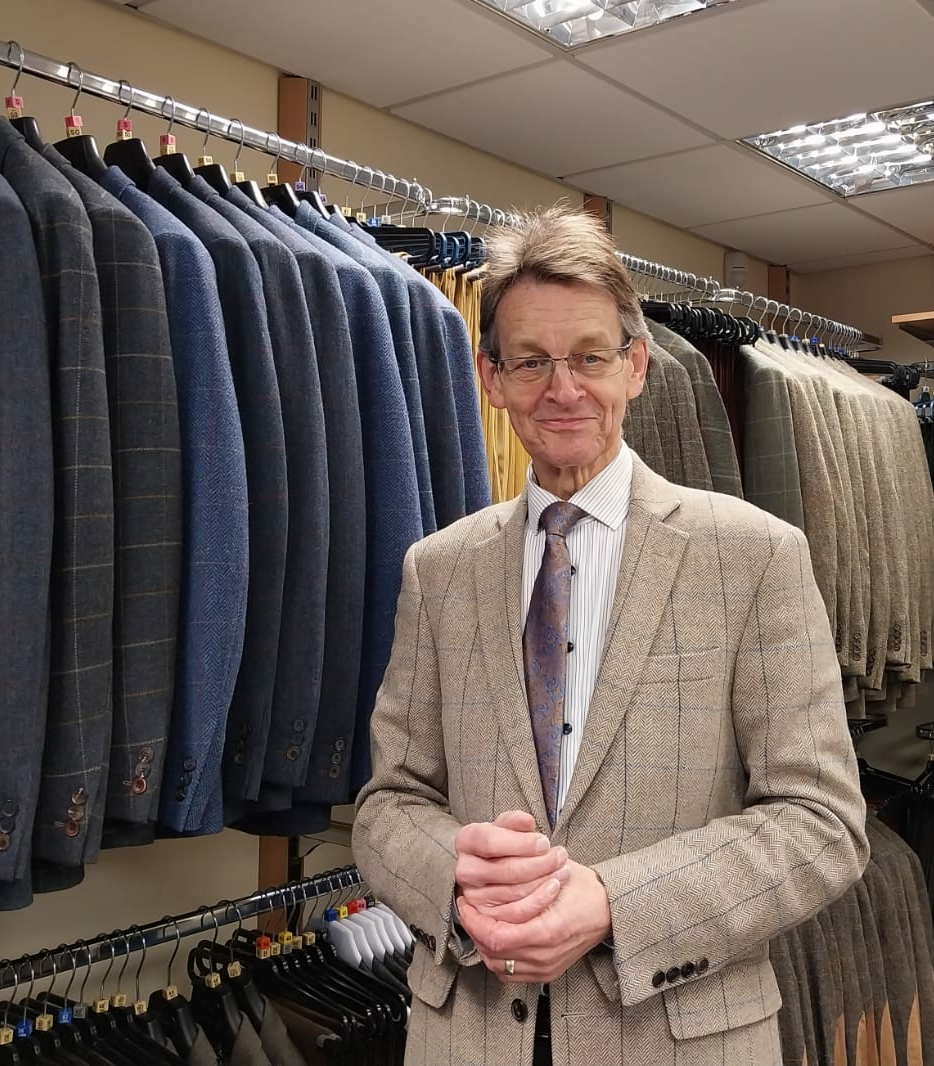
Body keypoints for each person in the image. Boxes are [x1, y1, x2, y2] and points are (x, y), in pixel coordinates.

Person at [353, 204, 868, 1066]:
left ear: (635, 365)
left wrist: (612, 903)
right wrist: (455, 871)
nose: (562, 390)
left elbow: (821, 823)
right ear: (491, 378)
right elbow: (386, 807)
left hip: (677, 1038)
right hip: (468, 1032)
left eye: (589, 356)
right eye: (530, 361)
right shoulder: (438, 570)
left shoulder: (752, 556)